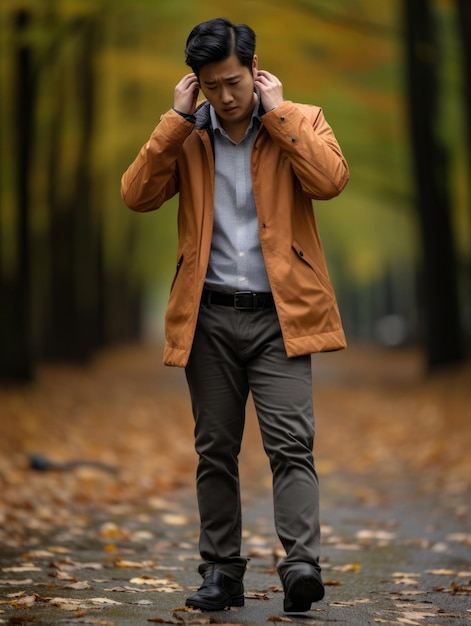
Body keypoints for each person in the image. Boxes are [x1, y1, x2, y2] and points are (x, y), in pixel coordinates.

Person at [121, 17, 349, 614]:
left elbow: (330, 181)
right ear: (196, 84)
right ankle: (221, 572)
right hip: (210, 318)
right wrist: (172, 123)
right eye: (210, 85)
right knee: (214, 449)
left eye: (233, 81)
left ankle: (301, 565)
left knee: (291, 445)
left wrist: (280, 116)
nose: (225, 96)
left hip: (282, 317)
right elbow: (136, 194)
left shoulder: (301, 120)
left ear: (255, 69)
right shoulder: (189, 136)